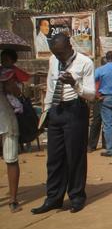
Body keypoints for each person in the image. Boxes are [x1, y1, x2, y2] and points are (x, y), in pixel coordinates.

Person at [32, 33, 95, 215]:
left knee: (75, 156)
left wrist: (75, 84)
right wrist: (46, 111)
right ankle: (53, 198)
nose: (58, 56)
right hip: (55, 111)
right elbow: (51, 86)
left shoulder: (85, 63)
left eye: (60, 52)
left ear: (69, 46)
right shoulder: (53, 60)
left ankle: (76, 197)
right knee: (54, 158)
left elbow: (91, 94)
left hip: (75, 110)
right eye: (55, 53)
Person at [0, 66, 22, 212]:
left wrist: (7, 83)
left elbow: (17, 92)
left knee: (11, 159)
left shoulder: (6, 74)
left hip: (6, 120)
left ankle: (13, 199)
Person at [88, 57, 107, 152]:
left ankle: (104, 144)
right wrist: (97, 96)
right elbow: (92, 85)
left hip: (103, 98)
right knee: (98, 122)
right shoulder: (98, 72)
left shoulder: (102, 72)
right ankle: (92, 145)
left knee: (103, 122)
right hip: (99, 99)